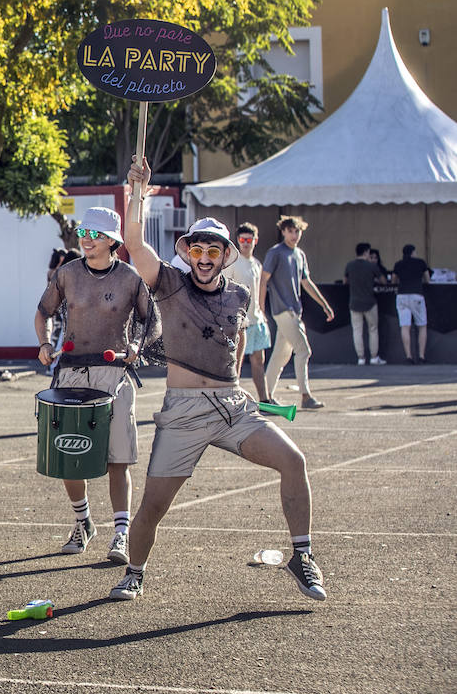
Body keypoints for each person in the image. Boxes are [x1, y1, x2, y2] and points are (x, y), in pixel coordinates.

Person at [110, 159, 326, 603]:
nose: (205, 259)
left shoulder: (240, 294)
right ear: (188, 253)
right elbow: (133, 241)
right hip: (184, 411)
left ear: (227, 255)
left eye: (214, 252)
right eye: (198, 251)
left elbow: (236, 343)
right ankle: (134, 571)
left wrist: (246, 389)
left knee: (294, 461)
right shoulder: (169, 284)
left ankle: (301, 556)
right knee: (153, 506)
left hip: (232, 406)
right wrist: (139, 192)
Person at [33, 207, 151, 566]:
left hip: (114, 376)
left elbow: (152, 323)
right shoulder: (66, 274)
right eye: (84, 231)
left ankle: (120, 533)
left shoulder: (131, 278)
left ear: (113, 241)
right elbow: (43, 312)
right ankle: (83, 522)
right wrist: (44, 344)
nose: (86, 238)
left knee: (118, 460)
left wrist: (136, 348)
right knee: (70, 459)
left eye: (94, 233)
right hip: (70, 373)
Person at [261, 215, 334, 410]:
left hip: (294, 310)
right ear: (283, 231)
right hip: (283, 310)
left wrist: (324, 304)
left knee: (280, 356)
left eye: (297, 231)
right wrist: (261, 307)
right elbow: (263, 279)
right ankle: (305, 396)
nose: (294, 235)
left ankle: (265, 398)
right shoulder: (275, 253)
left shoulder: (299, 254)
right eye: (290, 231)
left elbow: (306, 282)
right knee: (303, 350)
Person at [224, 223, 271, 400]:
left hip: (256, 319)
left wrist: (262, 312)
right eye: (242, 239)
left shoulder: (257, 264)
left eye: (248, 240)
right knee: (236, 365)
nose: (245, 243)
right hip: (238, 323)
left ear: (255, 241)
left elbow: (259, 290)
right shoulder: (233, 263)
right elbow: (225, 290)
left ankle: (265, 399)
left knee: (259, 362)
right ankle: (232, 399)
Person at [344, 241, 387, 366]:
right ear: (366, 252)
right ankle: (374, 357)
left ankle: (361, 358)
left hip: (354, 302)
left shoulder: (350, 265)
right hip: (370, 302)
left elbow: (345, 281)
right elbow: (383, 281)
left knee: (357, 331)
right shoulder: (371, 266)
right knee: (373, 329)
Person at [393, 244, 430, 364]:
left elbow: (394, 280)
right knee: (422, 325)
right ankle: (421, 356)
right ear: (413, 252)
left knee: (405, 326)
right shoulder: (420, 263)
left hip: (402, 296)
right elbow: (427, 279)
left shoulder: (398, 264)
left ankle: (408, 356)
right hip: (416, 295)